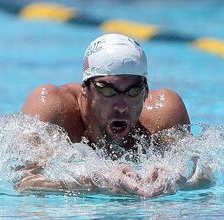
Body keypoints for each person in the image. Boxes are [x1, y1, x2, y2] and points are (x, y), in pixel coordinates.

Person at [16, 33, 209, 197]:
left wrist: (174, 180)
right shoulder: (53, 108)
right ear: (85, 88)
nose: (121, 106)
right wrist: (96, 180)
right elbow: (23, 183)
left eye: (133, 91)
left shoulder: (163, 113)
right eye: (108, 90)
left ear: (146, 91)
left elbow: (203, 179)